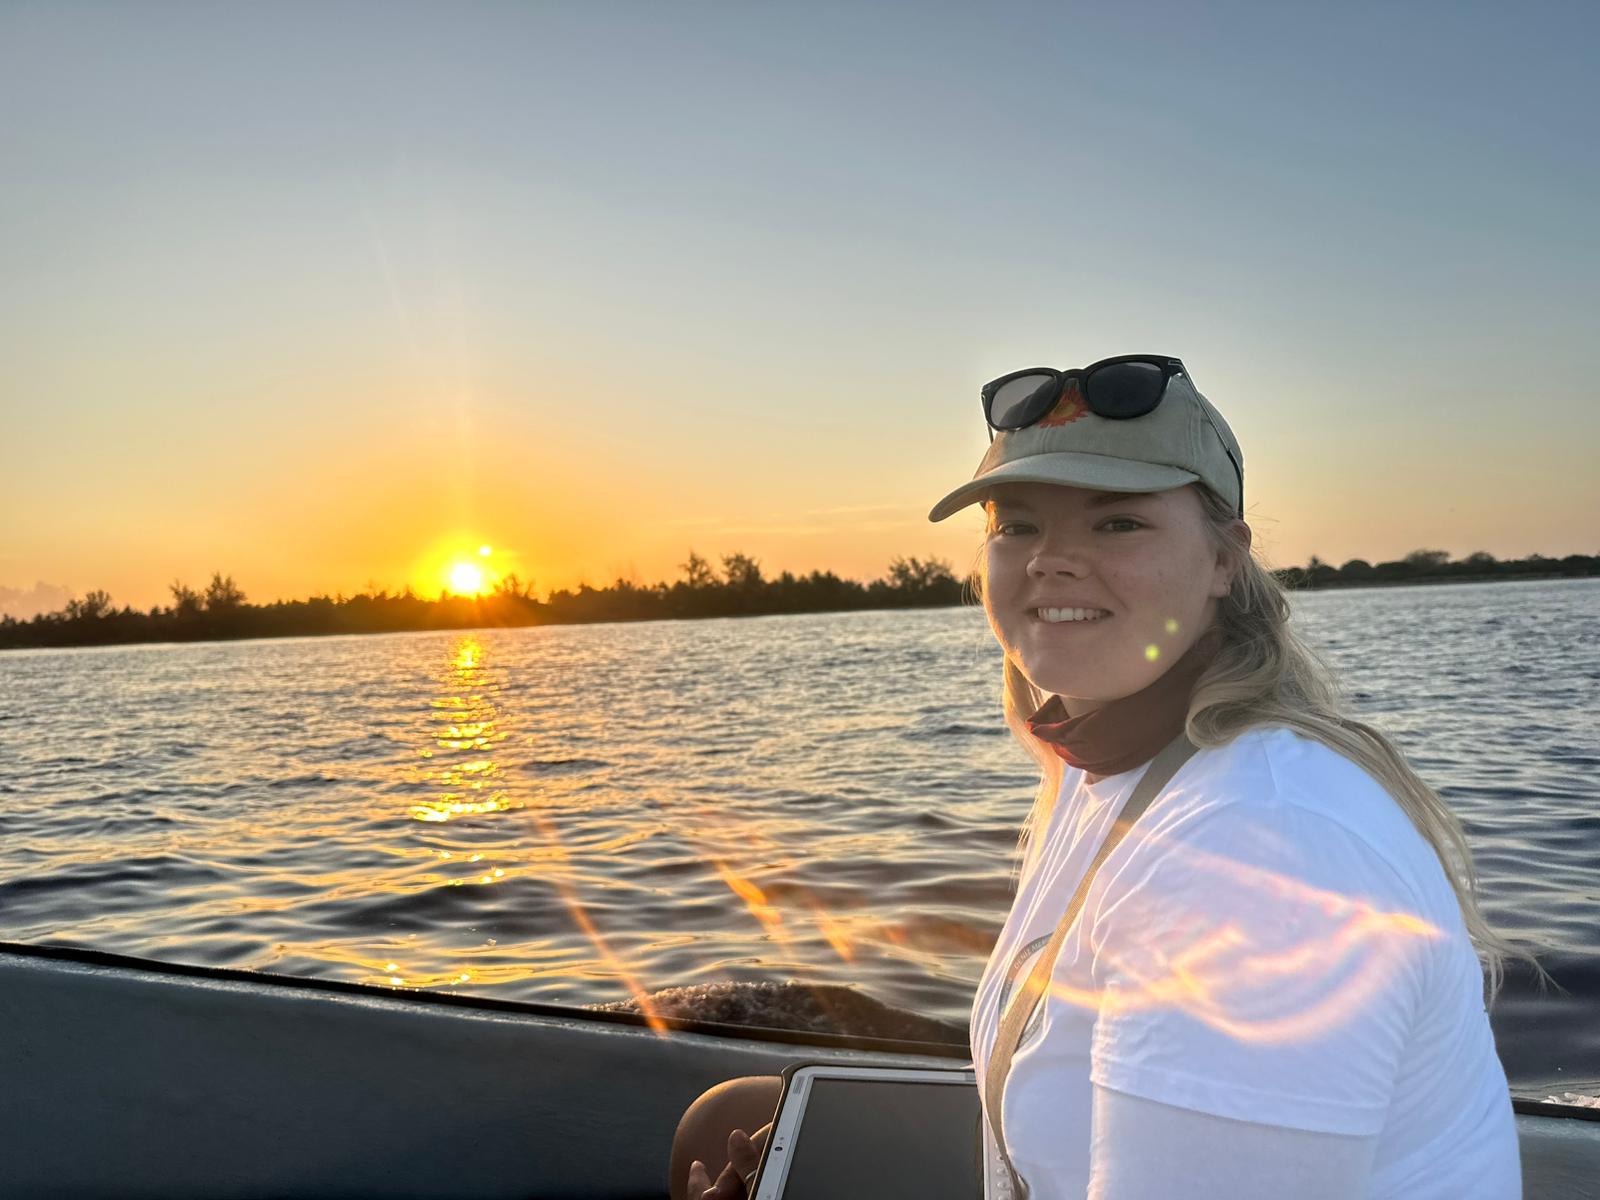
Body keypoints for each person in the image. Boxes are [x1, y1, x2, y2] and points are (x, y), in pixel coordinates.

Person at [669, 355, 1541, 1200]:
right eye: (1017, 525)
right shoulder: (1115, 766)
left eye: (1117, 522)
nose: (1050, 559)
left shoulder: (1257, 853)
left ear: (1224, 560)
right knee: (729, 1120)